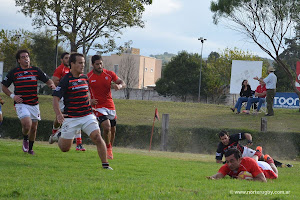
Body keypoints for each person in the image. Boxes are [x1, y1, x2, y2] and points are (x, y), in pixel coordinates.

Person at [52, 52, 112, 169]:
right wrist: (59, 114)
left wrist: (89, 102)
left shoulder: (85, 78)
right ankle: (59, 135)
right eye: (80, 63)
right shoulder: (65, 80)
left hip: (87, 115)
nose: (83, 65)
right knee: (65, 148)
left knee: (97, 137)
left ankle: (105, 165)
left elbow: (86, 93)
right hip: (71, 118)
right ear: (72, 64)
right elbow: (55, 98)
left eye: (84, 63)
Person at [1, 49, 55, 155]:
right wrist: (13, 96)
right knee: (27, 124)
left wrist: (51, 85)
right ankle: (25, 138)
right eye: (23, 57)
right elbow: (4, 86)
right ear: (19, 60)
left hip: (34, 103)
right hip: (21, 103)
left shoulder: (36, 70)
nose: (26, 59)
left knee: (34, 128)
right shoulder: (14, 72)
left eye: (27, 56)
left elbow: (48, 80)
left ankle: (30, 149)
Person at [87, 55, 126, 159]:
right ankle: (107, 148)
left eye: (100, 63)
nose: (99, 66)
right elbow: (82, 90)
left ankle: (110, 148)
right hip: (97, 107)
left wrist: (119, 86)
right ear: (92, 65)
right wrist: (88, 100)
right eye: (97, 64)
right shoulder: (88, 77)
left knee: (112, 130)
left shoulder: (109, 74)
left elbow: (123, 83)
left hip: (110, 105)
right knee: (106, 126)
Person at [49, 52, 86, 151]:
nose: (67, 60)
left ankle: (78, 143)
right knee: (64, 116)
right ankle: (56, 132)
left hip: (73, 96)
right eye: (65, 58)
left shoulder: (75, 71)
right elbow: (55, 80)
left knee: (77, 115)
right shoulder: (60, 69)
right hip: (63, 96)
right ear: (62, 60)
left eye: (68, 58)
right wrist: (66, 83)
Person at [215, 130, 292, 168]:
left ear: (228, 136)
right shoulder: (220, 147)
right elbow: (218, 160)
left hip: (244, 152)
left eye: (225, 138)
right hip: (236, 159)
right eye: (222, 139)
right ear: (220, 140)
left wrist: (249, 140)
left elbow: (247, 134)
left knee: (261, 157)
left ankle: (281, 165)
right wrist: (226, 163)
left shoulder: (233, 137)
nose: (224, 140)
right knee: (253, 164)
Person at [207, 149, 278, 182]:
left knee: (275, 174)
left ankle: (269, 159)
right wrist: (211, 178)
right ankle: (258, 152)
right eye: (227, 161)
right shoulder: (227, 166)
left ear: (239, 160)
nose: (229, 164)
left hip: (263, 167)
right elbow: (218, 176)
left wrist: (247, 180)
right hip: (252, 163)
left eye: (232, 161)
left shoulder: (249, 163)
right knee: (254, 160)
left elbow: (263, 180)